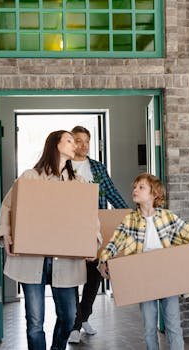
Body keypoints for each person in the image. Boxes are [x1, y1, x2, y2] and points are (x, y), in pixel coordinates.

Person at [0, 130, 97, 350]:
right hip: (32, 259)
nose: (74, 144)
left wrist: (92, 243)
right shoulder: (30, 177)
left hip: (66, 260)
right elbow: (8, 207)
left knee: (69, 317)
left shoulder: (77, 183)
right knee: (34, 321)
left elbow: (90, 217)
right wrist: (6, 233)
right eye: (69, 140)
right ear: (55, 145)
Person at [97, 173, 189, 350]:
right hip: (144, 277)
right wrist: (103, 260)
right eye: (134, 187)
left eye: (141, 187)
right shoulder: (130, 220)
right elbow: (114, 242)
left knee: (173, 324)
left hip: (168, 276)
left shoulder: (167, 217)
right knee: (149, 327)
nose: (135, 190)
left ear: (154, 193)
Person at [68, 125, 128, 344]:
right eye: (78, 140)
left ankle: (83, 318)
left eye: (86, 141)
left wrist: (129, 214)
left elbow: (111, 192)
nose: (83, 145)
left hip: (96, 230)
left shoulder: (97, 168)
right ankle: (74, 324)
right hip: (70, 229)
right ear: (71, 142)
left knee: (94, 278)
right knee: (72, 277)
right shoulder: (62, 167)